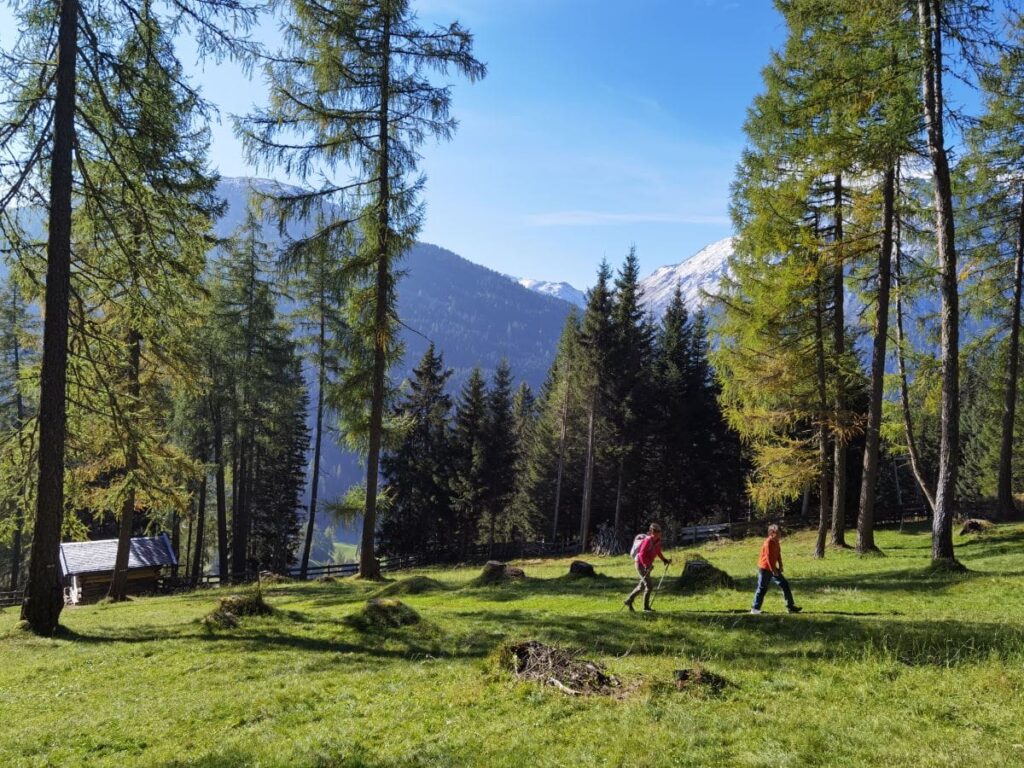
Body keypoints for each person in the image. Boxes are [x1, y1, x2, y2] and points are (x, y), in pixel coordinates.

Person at [751, 524, 802, 614]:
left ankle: (790, 607)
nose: (779, 535)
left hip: (773, 568)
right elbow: (768, 557)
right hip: (765, 568)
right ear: (771, 533)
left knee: (784, 584)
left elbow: (778, 554)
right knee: (762, 588)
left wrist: (781, 565)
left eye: (780, 533)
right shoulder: (768, 542)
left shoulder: (776, 541)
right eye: (777, 533)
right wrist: (773, 570)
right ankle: (754, 609)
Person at [624, 523, 672, 613]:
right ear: (651, 532)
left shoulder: (657, 540)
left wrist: (664, 560)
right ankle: (646, 608)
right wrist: (646, 565)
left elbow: (658, 551)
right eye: (655, 531)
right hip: (640, 564)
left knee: (642, 586)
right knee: (649, 586)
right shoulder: (647, 540)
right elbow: (641, 554)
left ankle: (628, 601)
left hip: (647, 565)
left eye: (659, 531)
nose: (658, 533)